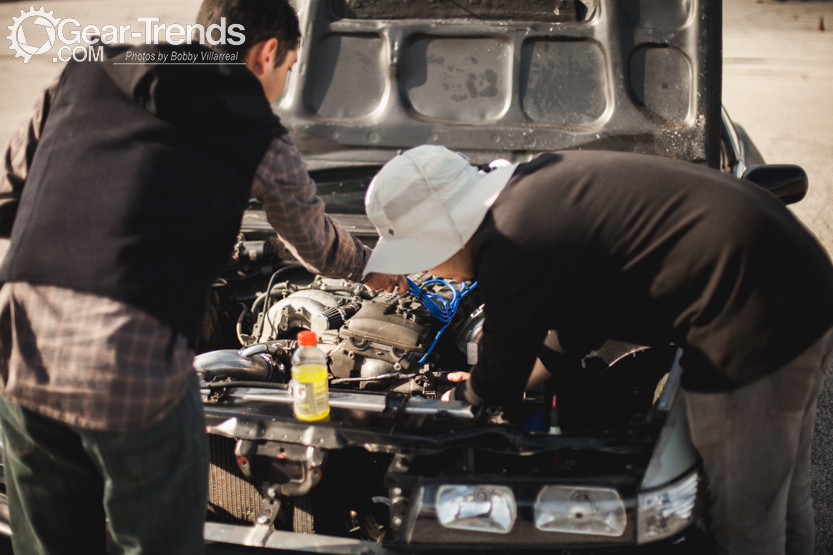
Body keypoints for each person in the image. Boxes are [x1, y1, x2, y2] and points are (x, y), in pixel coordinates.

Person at [0, 1, 404, 553]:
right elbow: (312, 240)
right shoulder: (255, 128)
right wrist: (374, 269)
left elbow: (9, 191)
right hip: (129, 358)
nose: (284, 86)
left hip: (20, 343)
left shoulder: (88, 65)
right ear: (266, 55)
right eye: (289, 70)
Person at [362, 144, 833, 555]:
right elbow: (577, 327)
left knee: (746, 518)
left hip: (753, 315)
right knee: (783, 493)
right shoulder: (531, 194)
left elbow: (501, 372)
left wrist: (467, 401)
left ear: (444, 229)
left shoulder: (509, 238)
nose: (432, 273)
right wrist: (490, 383)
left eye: (423, 255)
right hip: (797, 283)